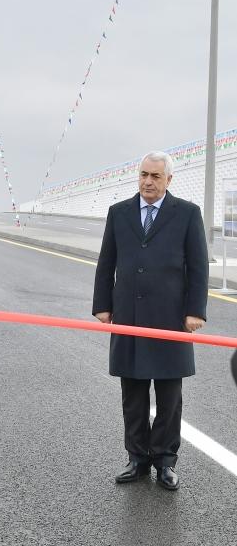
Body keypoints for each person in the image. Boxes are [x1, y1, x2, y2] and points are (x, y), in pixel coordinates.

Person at [92, 151, 208, 490]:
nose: (148, 181)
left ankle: (165, 461)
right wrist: (102, 305)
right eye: (144, 174)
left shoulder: (186, 214)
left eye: (156, 176)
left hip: (172, 318)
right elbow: (106, 262)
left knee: (170, 394)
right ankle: (137, 458)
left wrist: (195, 311)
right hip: (129, 315)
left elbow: (198, 267)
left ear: (168, 180)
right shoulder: (119, 213)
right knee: (133, 392)